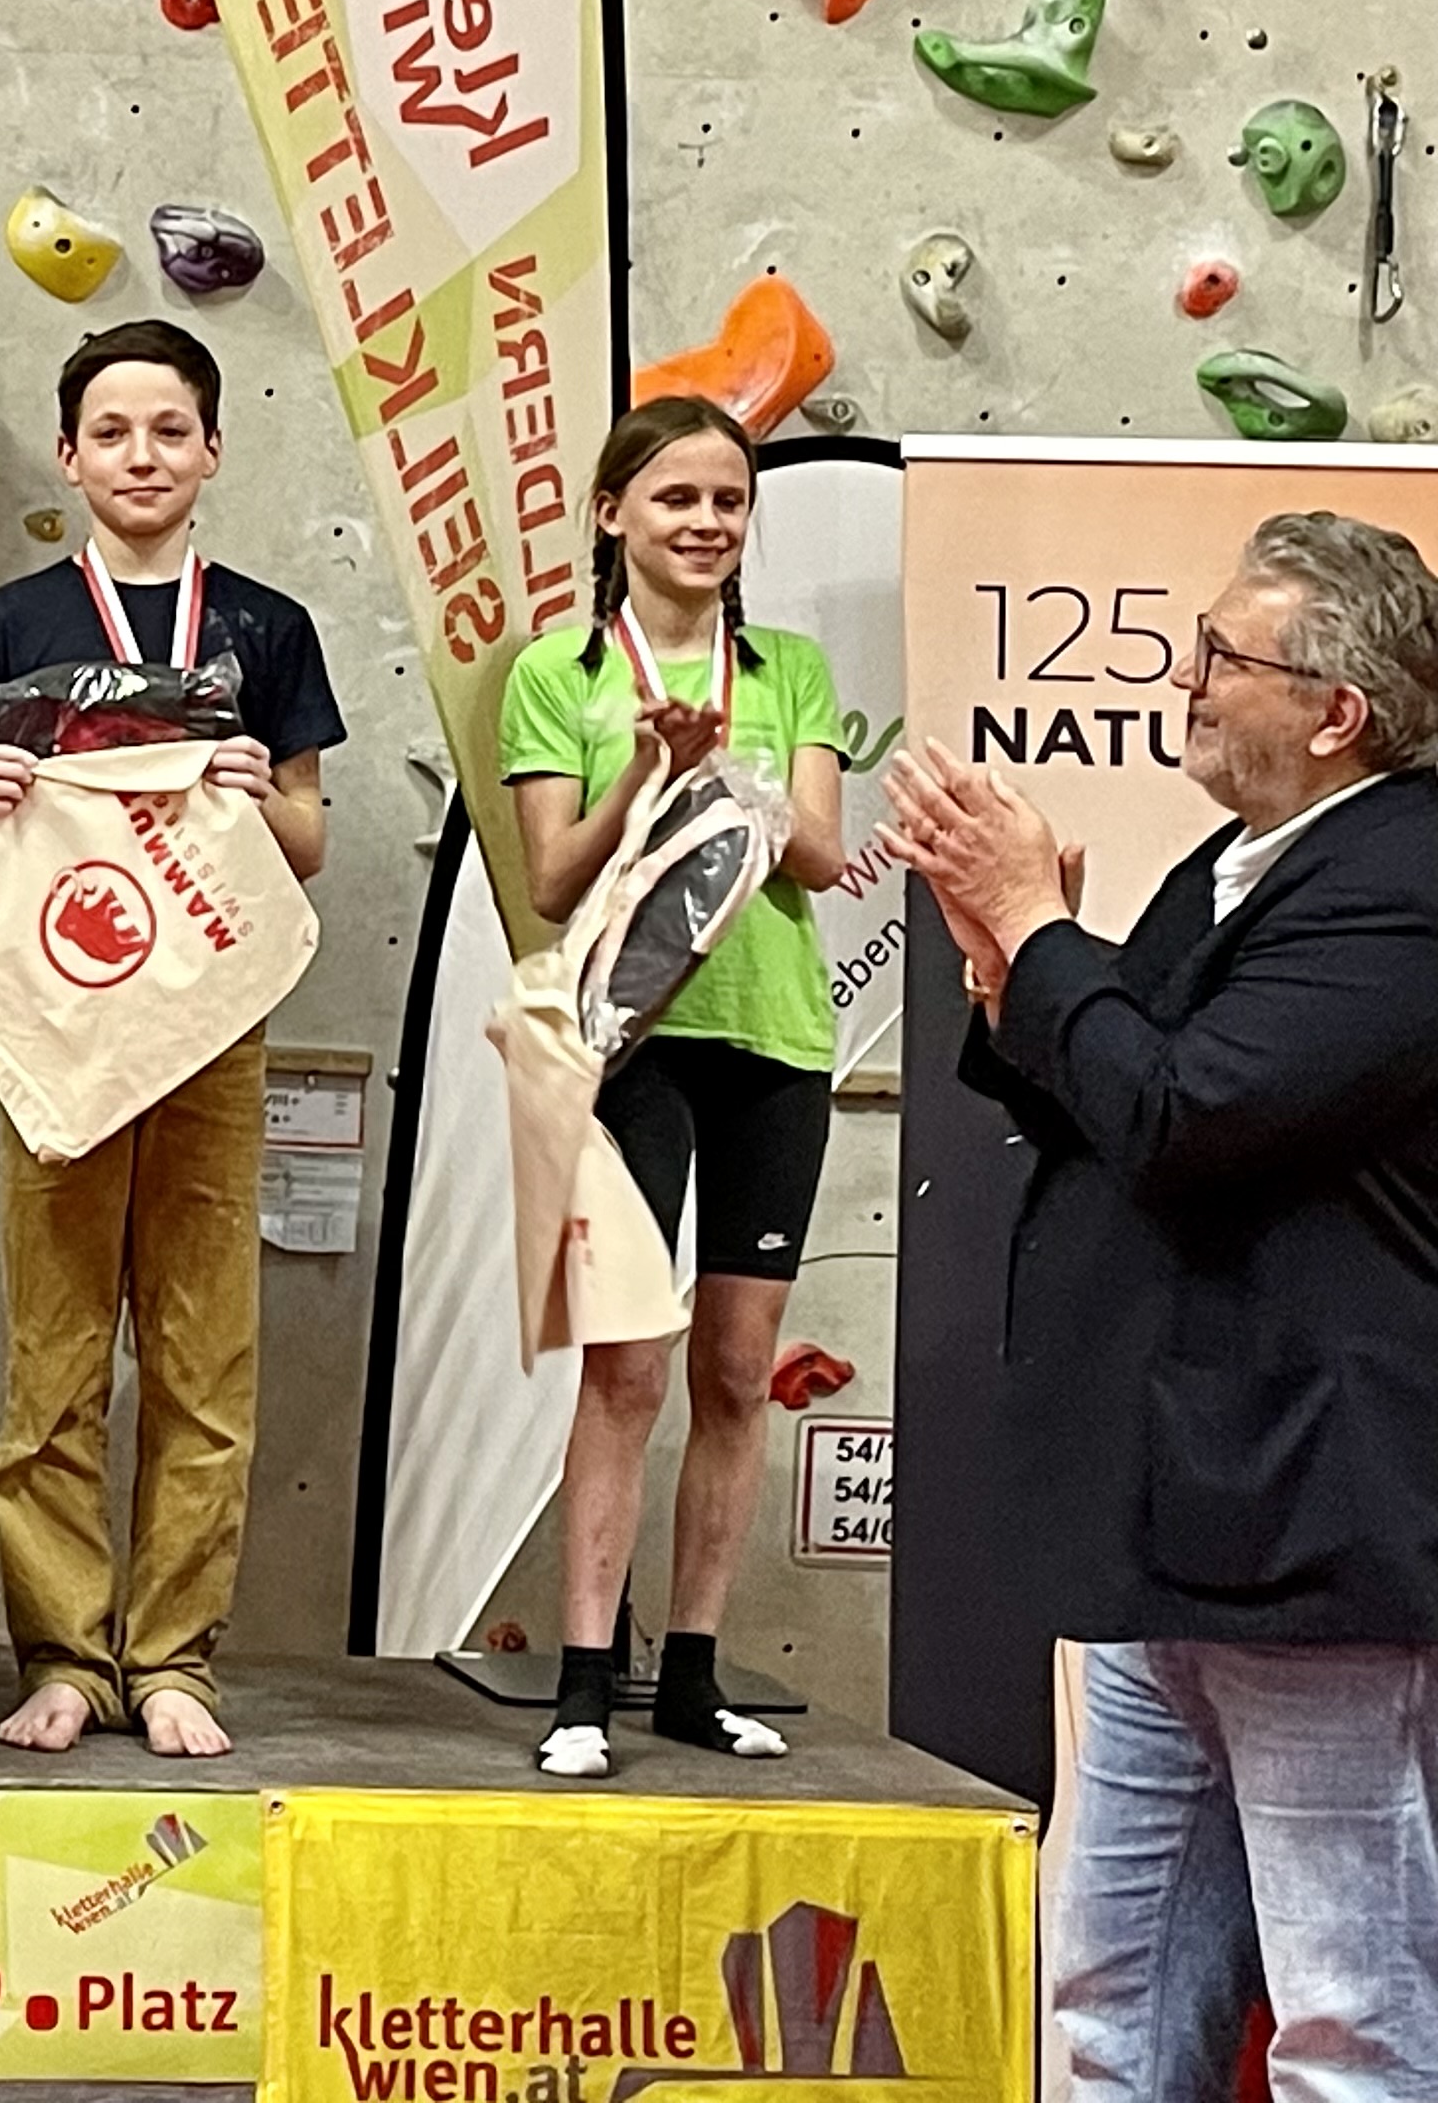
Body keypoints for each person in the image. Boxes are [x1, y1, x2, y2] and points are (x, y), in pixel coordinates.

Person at [888, 512, 1438, 2102]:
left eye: (1219, 657)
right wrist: (1009, 965)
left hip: (1308, 1531)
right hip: (1167, 1523)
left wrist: (1045, 932)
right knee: (1109, 1991)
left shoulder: (1404, 880)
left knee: (1347, 2009)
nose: (1181, 681)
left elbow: (1193, 1114)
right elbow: (1114, 1088)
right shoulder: (1236, 863)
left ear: (1335, 712)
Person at [0, 320, 339, 1759]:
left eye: (169, 430)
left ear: (212, 450)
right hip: (60, 1025)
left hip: (210, 1029)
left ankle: (173, 1660)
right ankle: (61, 1654)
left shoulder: (265, 629)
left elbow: (308, 841)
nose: (141, 456)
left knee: (201, 1354)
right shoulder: (12, 626)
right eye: (112, 431)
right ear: (69, 455)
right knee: (51, 1356)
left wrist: (259, 795)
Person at [498, 394, 850, 1779]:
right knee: (628, 1367)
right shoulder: (557, 671)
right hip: (628, 1044)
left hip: (776, 1042)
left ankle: (695, 1672)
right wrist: (649, 767)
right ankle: (584, 1683)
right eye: (678, 499)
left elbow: (820, 857)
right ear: (612, 514)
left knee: (739, 1373)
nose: (707, 524)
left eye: (728, 502)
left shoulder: (792, 669)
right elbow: (550, 879)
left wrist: (734, 774)